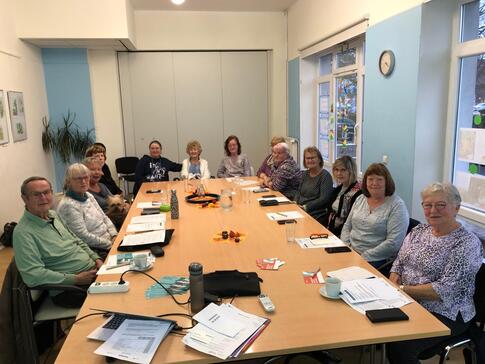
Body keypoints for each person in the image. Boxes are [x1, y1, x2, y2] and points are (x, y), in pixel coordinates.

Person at [388, 182, 483, 364]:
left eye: (440, 205)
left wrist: (400, 289)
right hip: (407, 299)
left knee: (401, 346)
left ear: (457, 207)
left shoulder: (466, 243)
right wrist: (394, 285)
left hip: (447, 312)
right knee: (378, 325)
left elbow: (444, 291)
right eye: (427, 205)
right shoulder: (419, 230)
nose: (433, 210)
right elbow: (399, 262)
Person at [12, 176, 102, 308]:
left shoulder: (53, 215)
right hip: (70, 289)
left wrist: (97, 258)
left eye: (47, 192)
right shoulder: (23, 233)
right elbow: (33, 276)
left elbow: (76, 240)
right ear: (25, 198)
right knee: (121, 297)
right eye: (37, 194)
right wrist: (76, 279)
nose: (43, 198)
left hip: (93, 272)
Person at [340, 163, 409, 268]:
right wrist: (347, 247)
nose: (374, 183)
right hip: (351, 252)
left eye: (379, 179)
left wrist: (363, 257)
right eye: (370, 179)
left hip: (376, 259)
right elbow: (347, 226)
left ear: (387, 182)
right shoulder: (360, 198)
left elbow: (393, 243)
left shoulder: (397, 206)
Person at [57, 163, 117, 260]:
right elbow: (83, 237)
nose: (84, 181)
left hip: (109, 240)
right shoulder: (68, 205)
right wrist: (111, 244)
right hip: (95, 250)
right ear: (68, 182)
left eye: (86, 177)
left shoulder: (88, 195)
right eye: (78, 179)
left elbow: (104, 217)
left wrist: (114, 235)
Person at [84, 157, 130, 229]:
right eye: (92, 170)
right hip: (107, 226)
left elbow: (115, 199)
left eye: (99, 169)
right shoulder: (85, 193)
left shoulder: (102, 186)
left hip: (118, 220)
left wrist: (126, 203)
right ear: (85, 172)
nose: (97, 172)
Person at [325, 156, 362, 236]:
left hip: (343, 234)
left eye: (343, 170)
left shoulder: (358, 193)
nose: (339, 173)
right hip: (330, 229)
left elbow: (350, 221)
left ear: (351, 171)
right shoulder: (339, 188)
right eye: (336, 170)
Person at [294, 146, 333, 221]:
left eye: (313, 158)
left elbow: (323, 199)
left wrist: (306, 207)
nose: (310, 160)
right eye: (307, 158)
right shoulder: (305, 174)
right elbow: (298, 192)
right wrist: (295, 203)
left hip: (315, 213)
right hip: (300, 210)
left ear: (319, 159)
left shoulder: (325, 176)